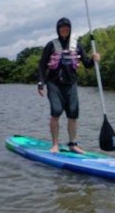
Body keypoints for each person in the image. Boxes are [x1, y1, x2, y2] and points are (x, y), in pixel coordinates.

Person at [37, 17, 101, 154]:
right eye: (62, 27)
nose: (64, 29)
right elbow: (42, 65)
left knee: (73, 115)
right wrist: (40, 83)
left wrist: (94, 59)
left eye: (67, 27)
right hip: (54, 84)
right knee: (56, 112)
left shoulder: (77, 45)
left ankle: (73, 144)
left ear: (70, 29)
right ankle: (55, 144)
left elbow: (87, 64)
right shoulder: (51, 45)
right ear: (58, 30)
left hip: (71, 84)